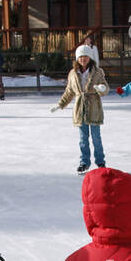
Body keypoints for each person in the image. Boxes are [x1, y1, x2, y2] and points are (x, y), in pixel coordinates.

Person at [50, 44, 108, 174]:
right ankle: (84, 162)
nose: (83, 59)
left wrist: (102, 89)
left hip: (94, 108)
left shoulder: (98, 72)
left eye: (85, 56)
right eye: (81, 57)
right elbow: (69, 91)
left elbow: (105, 87)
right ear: (77, 58)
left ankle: (100, 162)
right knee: (83, 139)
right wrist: (61, 104)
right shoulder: (72, 73)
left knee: (96, 138)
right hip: (80, 109)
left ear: (90, 57)